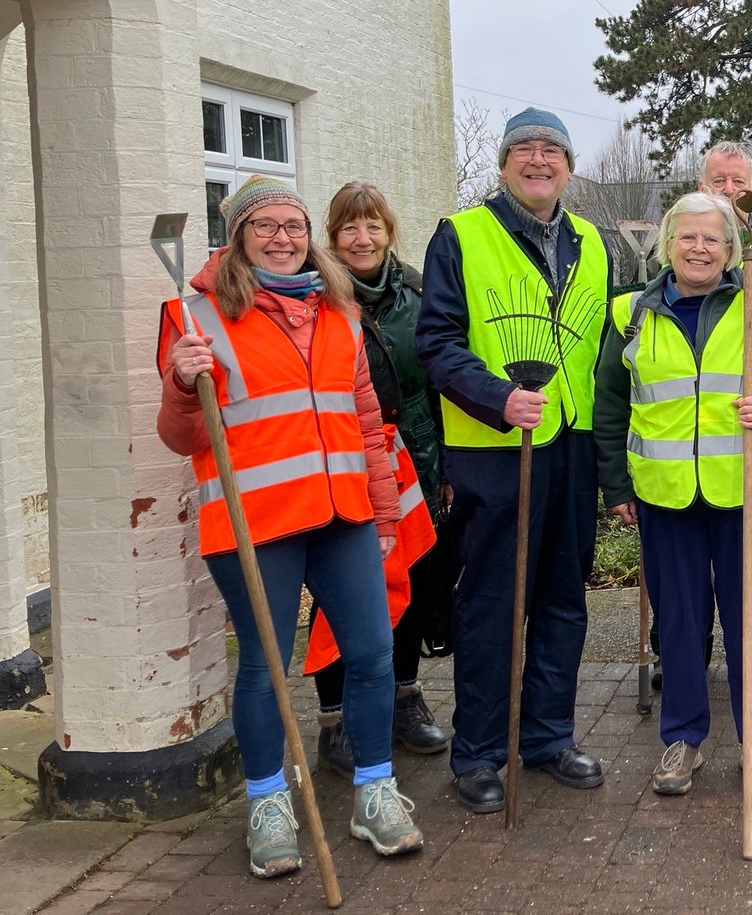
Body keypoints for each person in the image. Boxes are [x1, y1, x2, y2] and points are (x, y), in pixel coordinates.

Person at [157, 176, 424, 878]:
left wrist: (386, 508)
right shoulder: (197, 319)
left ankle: (374, 790)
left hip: (344, 517)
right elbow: (181, 437)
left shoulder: (338, 311)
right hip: (255, 521)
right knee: (266, 665)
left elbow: (366, 421)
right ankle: (269, 804)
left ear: (311, 237)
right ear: (240, 237)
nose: (283, 237)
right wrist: (182, 384)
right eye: (266, 226)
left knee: (370, 653)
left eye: (294, 226)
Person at [415, 108, 612, 815]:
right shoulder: (462, 235)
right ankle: (478, 751)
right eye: (524, 150)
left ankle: (548, 737)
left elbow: (606, 343)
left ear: (568, 164)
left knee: (563, 596)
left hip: (574, 441)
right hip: (496, 449)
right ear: (502, 166)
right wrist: (498, 397)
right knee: (495, 602)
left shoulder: (595, 240)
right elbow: (436, 342)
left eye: (551, 149)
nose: (538, 160)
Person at [594, 193, 752, 797]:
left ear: (731, 249)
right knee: (680, 622)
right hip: (663, 494)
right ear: (667, 245)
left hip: (745, 490)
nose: (700, 248)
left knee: (749, 621)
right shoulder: (631, 314)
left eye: (713, 239)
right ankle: (681, 740)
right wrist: (615, 484)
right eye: (687, 237)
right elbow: (609, 404)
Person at [649, 141, 752, 687]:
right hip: (676, 466)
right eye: (720, 181)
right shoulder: (682, 236)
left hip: (748, 452)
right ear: (702, 184)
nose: (731, 191)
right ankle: (681, 659)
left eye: (740, 182)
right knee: (681, 586)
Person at [308, 182, 449, 777]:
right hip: (344, 463)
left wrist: (445, 469)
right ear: (333, 237)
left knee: (411, 576)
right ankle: (335, 718)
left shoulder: (419, 295)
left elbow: (439, 382)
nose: (362, 239)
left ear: (390, 233)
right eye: (349, 228)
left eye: (374, 227)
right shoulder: (316, 302)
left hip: (415, 459)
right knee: (341, 590)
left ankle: (403, 695)